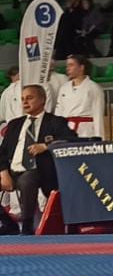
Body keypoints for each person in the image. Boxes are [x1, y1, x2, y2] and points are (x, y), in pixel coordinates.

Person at [0, 85, 77, 233]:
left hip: (40, 171)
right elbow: (1, 152)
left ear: (42, 100)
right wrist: (4, 173)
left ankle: (27, 226)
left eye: (29, 98)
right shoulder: (15, 124)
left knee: (27, 179)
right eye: (22, 99)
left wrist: (46, 145)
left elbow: (71, 139)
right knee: (22, 178)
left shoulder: (55, 122)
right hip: (12, 170)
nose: (25, 102)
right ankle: (8, 223)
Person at [54, 54, 104, 140]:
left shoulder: (94, 88)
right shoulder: (64, 88)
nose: (67, 68)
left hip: (86, 130)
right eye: (67, 66)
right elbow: (59, 111)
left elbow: (98, 114)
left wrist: (100, 137)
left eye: (71, 65)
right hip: (66, 129)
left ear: (81, 67)